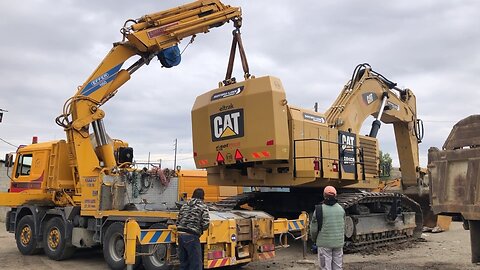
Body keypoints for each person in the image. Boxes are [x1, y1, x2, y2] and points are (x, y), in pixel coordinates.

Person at [310, 186, 346, 270]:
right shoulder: (341, 209)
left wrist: (315, 240)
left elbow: (313, 229)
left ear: (324, 195)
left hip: (324, 244)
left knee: (325, 267)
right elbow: (343, 226)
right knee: (338, 267)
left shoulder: (319, 209)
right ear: (335, 195)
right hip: (338, 243)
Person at [176, 188, 210, 270]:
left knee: (184, 263)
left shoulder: (184, 205)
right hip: (192, 236)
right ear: (203, 197)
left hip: (180, 235)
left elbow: (178, 221)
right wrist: (200, 229)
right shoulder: (202, 206)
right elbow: (206, 224)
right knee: (195, 264)